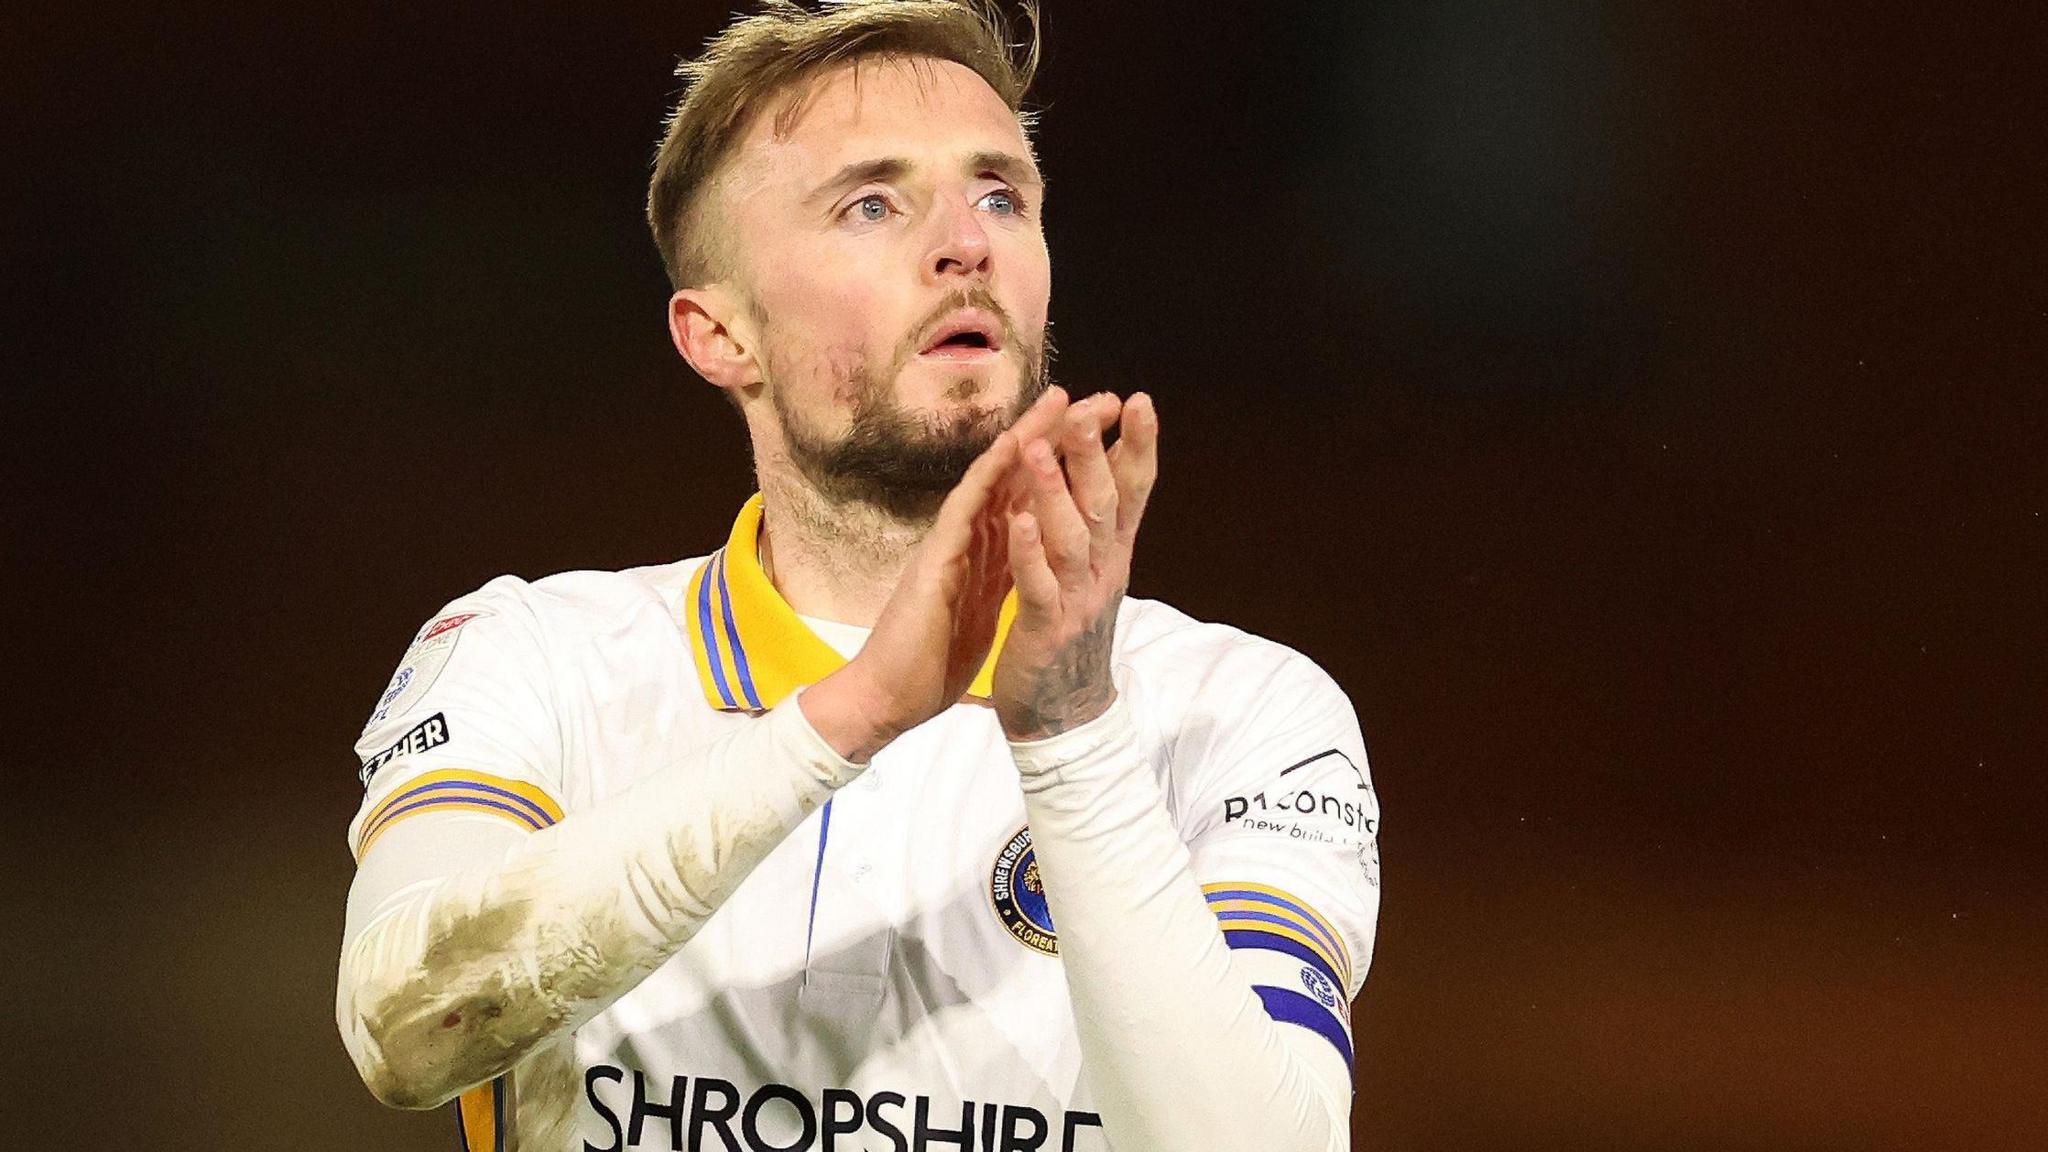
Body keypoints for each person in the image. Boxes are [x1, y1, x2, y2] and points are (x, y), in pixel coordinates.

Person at [336, 3, 1381, 1150]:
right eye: (870, 204)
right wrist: (844, 720)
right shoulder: (536, 654)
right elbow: (403, 1027)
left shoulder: (1236, 709)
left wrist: (1074, 733)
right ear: (717, 335)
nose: (965, 243)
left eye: (1000, 195)